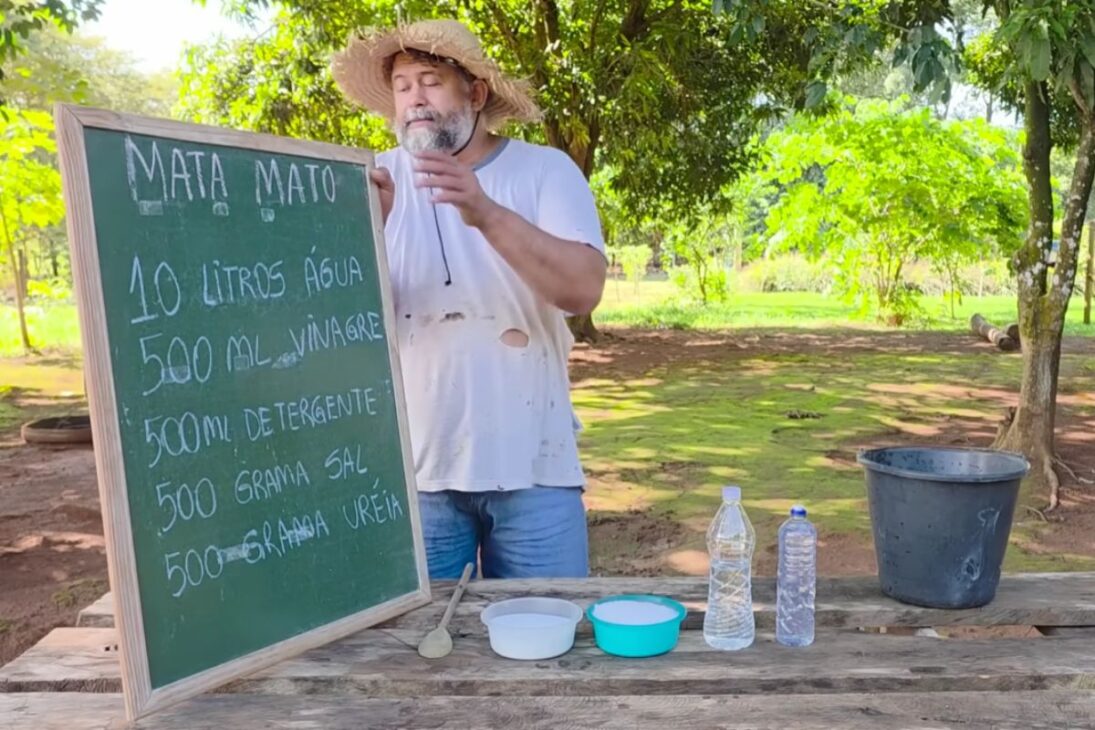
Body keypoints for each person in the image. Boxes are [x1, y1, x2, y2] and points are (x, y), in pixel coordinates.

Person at [332, 19, 607, 580]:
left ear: (475, 94)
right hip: (419, 474)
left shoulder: (544, 171)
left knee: (546, 639)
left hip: (535, 465)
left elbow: (582, 290)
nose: (415, 100)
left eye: (430, 81)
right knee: (421, 650)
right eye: (403, 86)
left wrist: (484, 211)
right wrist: (369, 235)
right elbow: (343, 329)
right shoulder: (374, 180)